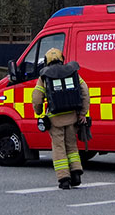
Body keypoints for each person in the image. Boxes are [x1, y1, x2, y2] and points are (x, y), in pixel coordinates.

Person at [29, 47, 91, 190]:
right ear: (62, 59)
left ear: (46, 61)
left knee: (59, 148)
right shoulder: (72, 71)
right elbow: (85, 90)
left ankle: (64, 179)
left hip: (55, 120)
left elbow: (37, 98)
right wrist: (83, 113)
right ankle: (76, 173)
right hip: (72, 117)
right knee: (71, 145)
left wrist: (38, 112)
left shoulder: (44, 76)